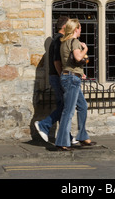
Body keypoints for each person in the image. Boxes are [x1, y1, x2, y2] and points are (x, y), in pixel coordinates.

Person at [35, 15, 77, 144]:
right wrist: (63, 77)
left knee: (63, 106)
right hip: (58, 77)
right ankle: (44, 125)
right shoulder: (60, 40)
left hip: (56, 77)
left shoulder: (57, 39)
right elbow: (57, 61)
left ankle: (66, 136)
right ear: (64, 27)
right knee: (66, 106)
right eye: (70, 25)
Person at [55, 18, 96, 151]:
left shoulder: (64, 42)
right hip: (72, 79)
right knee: (69, 111)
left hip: (69, 76)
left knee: (83, 106)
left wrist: (79, 72)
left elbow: (69, 62)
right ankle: (62, 142)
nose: (81, 31)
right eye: (80, 28)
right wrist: (85, 49)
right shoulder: (75, 41)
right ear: (75, 29)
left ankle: (82, 136)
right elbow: (78, 58)